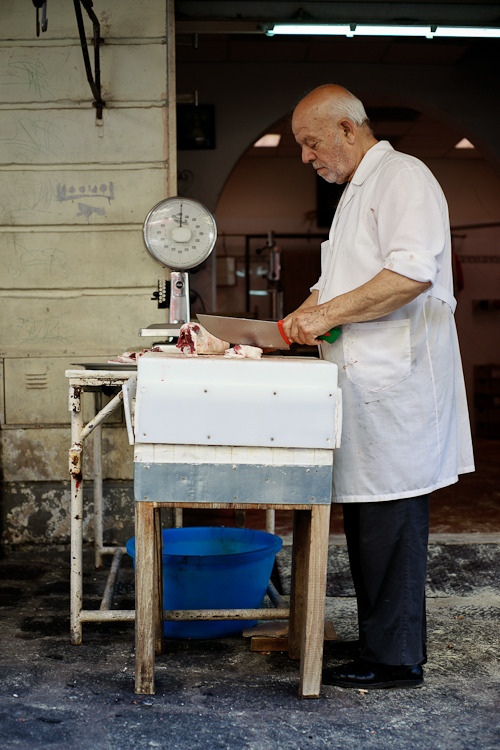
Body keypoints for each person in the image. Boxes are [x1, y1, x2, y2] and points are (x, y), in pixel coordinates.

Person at [283, 84, 474, 689]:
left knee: (391, 530)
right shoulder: (354, 194)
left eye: (311, 142)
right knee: (368, 529)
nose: (306, 157)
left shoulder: (402, 177)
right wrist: (296, 318)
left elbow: (413, 271)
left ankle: (395, 661)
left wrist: (327, 315)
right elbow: (334, 282)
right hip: (364, 394)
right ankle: (377, 648)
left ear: (346, 128)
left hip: (398, 392)